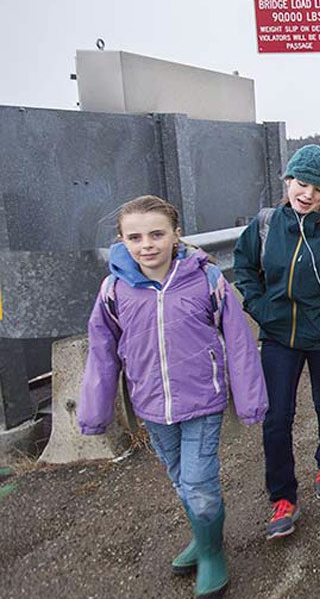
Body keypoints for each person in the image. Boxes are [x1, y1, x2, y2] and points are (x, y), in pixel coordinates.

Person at [80, 195, 268, 599]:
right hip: (151, 404)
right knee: (181, 480)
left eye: (156, 234)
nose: (146, 244)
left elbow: (238, 341)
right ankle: (202, 540)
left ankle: (213, 553)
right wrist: (95, 411)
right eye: (135, 237)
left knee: (198, 483)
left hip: (203, 401)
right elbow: (101, 350)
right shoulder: (115, 288)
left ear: (175, 235)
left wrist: (252, 399)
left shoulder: (206, 279)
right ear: (122, 240)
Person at [232, 144, 320, 540]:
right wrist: (258, 306)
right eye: (301, 183)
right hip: (278, 335)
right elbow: (243, 266)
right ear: (289, 180)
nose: (307, 194)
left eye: (318, 189)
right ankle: (283, 497)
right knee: (277, 416)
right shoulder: (265, 225)